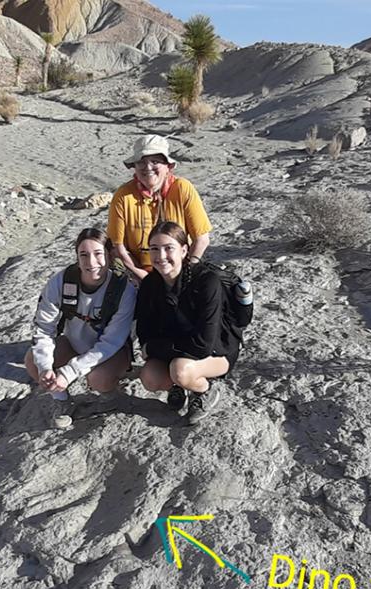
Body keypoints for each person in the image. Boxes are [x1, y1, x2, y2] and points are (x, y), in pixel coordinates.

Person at [135, 221, 241, 424]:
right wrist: (154, 346)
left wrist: (157, 348)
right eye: (154, 249)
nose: (161, 256)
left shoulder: (206, 282)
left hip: (217, 351)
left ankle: (204, 390)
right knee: (150, 377)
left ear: (184, 250)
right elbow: (144, 332)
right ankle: (178, 386)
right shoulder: (150, 284)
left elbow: (203, 345)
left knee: (180, 370)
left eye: (169, 248)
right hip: (179, 349)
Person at [25, 228, 136, 400]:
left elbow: (112, 341)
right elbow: (44, 329)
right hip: (72, 344)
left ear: (110, 255)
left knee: (99, 379)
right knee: (34, 361)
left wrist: (70, 371)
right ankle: (61, 400)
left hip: (111, 351)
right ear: (77, 257)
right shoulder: (60, 283)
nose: (91, 262)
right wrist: (45, 367)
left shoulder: (123, 290)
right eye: (84, 255)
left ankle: (111, 395)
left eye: (98, 253)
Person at [107, 135, 212, 285]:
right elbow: (118, 247)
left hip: (181, 271)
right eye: (141, 162)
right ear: (134, 167)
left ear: (168, 166)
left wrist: (186, 273)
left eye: (155, 161)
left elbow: (201, 239)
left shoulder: (183, 189)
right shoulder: (123, 196)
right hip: (137, 273)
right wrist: (145, 279)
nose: (148, 167)